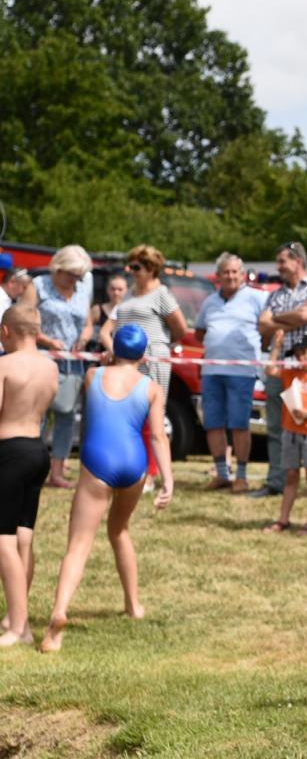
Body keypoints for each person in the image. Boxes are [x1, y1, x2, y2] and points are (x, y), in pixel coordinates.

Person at [41, 324, 174, 653]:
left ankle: (59, 613)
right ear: (143, 356)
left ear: (114, 349)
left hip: (98, 460)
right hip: (134, 463)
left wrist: (107, 359)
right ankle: (133, 604)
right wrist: (168, 480)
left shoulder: (93, 376)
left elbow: (98, 391)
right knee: (119, 531)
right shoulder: (151, 387)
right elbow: (159, 436)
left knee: (79, 544)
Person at [99, 245, 187, 491]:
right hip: (125, 362)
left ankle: (151, 473)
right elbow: (108, 328)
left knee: (153, 417)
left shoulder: (162, 294)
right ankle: (130, 469)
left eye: (136, 267)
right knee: (129, 416)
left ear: (150, 268)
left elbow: (180, 328)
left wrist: (159, 346)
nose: (131, 271)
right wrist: (115, 350)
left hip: (152, 361)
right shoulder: (129, 295)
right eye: (130, 266)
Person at [255, 242, 307, 502]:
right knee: (277, 426)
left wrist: (277, 320)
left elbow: (305, 315)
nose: (278, 266)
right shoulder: (275, 294)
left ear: (298, 261)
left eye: (282, 261)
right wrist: (289, 318)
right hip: (283, 367)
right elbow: (262, 326)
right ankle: (277, 481)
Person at [0, 305, 57, 647]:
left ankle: (18, 627)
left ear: (6, 331)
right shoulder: (51, 368)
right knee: (23, 536)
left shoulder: (4, 365)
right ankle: (15, 617)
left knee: (3, 541)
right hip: (37, 451)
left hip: (9, 452)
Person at [193, 253, 267, 493]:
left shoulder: (256, 298)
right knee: (213, 423)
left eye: (235, 271)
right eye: (226, 272)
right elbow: (199, 332)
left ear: (242, 274)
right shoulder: (209, 302)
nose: (231, 276)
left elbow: (268, 326)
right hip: (212, 371)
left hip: (242, 371)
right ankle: (222, 474)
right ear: (218, 276)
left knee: (239, 424)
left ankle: (241, 476)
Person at [23, 244, 94, 489]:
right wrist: (47, 340)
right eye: (72, 275)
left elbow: (88, 324)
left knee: (66, 416)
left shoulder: (82, 290)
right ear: (58, 268)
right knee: (38, 415)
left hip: (72, 364)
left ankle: (57, 472)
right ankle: (33, 470)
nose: (75, 280)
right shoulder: (38, 285)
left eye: (79, 276)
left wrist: (84, 338)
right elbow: (24, 320)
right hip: (42, 359)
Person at [262, 333, 307, 536]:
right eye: (297, 354)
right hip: (291, 431)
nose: (300, 358)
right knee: (291, 475)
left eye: (304, 352)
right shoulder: (291, 374)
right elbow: (270, 370)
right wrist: (276, 348)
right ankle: (283, 519)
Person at [87, 273, 127, 351]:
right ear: (107, 290)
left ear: (126, 290)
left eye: (120, 289)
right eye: (113, 289)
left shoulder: (129, 311)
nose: (116, 293)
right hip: (100, 353)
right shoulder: (97, 309)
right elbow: (88, 329)